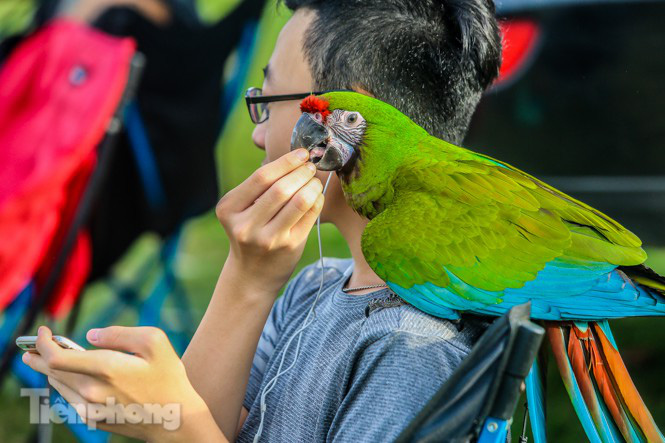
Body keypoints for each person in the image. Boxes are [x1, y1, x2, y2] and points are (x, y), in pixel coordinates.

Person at [23, 0, 503, 441]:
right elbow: (226, 426)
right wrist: (246, 279)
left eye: (267, 100)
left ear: (346, 121)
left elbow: (195, 428)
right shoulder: (314, 286)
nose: (256, 134)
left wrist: (177, 425)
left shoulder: (412, 349)